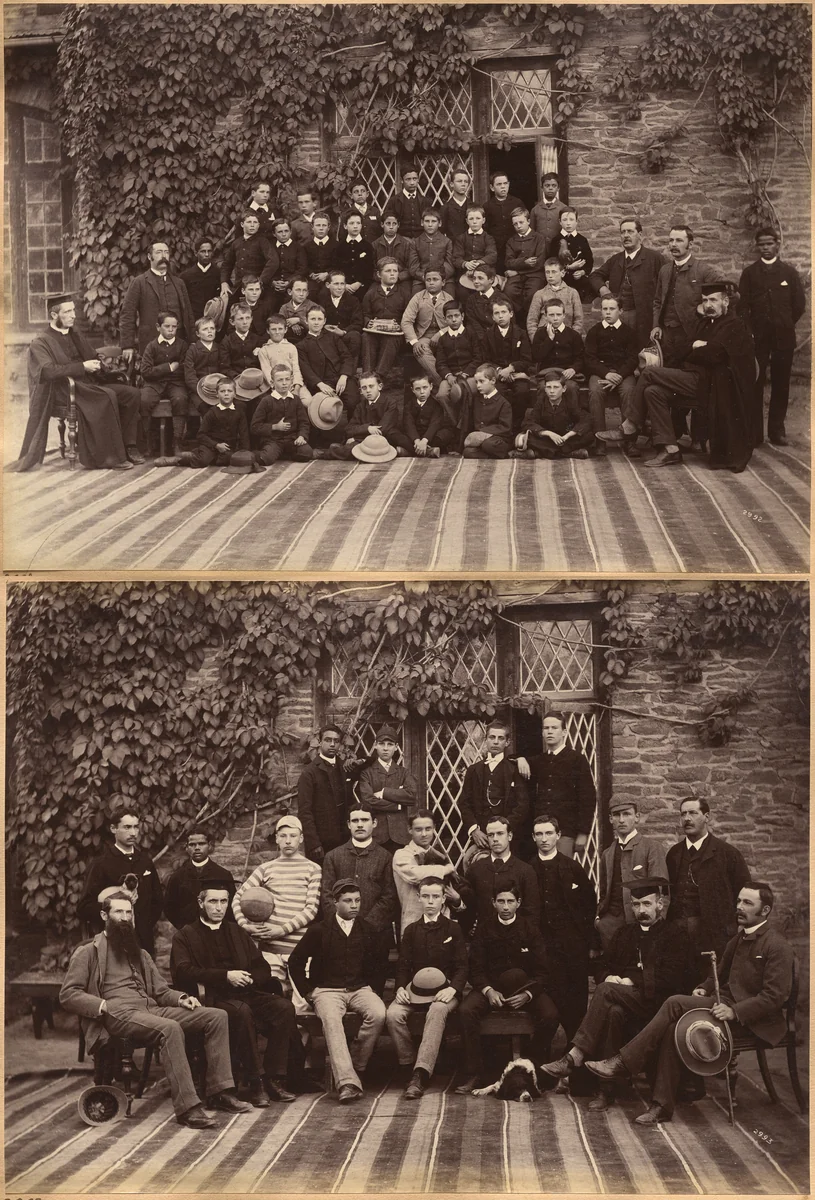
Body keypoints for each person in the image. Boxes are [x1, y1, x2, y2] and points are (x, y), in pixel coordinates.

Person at [584, 882, 794, 1126]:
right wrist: (704, 987)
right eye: (738, 901)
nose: (739, 907)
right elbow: (719, 976)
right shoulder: (737, 939)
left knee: (674, 1003)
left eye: (747, 903)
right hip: (723, 1004)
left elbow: (775, 996)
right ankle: (661, 1106)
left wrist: (735, 1011)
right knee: (674, 1027)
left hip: (754, 1020)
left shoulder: (776, 945)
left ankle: (623, 1062)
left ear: (765, 910)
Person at [61, 891, 249, 1128]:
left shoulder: (139, 953)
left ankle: (220, 1092)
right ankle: (188, 1108)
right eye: (118, 912)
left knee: (216, 1016)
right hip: (117, 1013)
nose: (125, 917)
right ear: (104, 915)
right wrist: (102, 1005)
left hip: (150, 1009)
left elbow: (161, 992)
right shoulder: (88, 952)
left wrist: (182, 999)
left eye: (129, 912)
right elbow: (68, 995)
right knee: (170, 1029)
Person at [541, 878, 692, 1113]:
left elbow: (674, 978)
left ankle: (575, 1055)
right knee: (613, 1011)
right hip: (622, 1000)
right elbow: (602, 966)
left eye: (646, 904)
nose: (640, 910)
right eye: (635, 905)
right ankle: (606, 1090)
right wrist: (609, 977)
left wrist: (632, 981)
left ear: (660, 904)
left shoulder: (675, 934)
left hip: (656, 1004)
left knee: (606, 992)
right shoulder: (625, 933)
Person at [171, 881, 298, 1105]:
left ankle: (274, 1078)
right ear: (201, 903)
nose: (219, 907)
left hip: (246, 992)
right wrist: (225, 976)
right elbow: (183, 971)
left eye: (223, 901)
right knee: (242, 1012)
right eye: (213, 901)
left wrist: (250, 978)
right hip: (212, 998)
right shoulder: (185, 935)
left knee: (283, 1008)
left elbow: (263, 967)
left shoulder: (236, 931)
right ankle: (255, 1081)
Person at [607, 282, 756, 470]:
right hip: (694, 377)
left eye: (713, 300)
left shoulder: (734, 325)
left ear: (725, 301)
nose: (709, 305)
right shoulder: (704, 324)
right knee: (653, 391)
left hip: (713, 384)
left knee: (650, 372)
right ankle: (670, 449)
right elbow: (680, 350)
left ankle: (631, 425)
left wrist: (696, 349)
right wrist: (695, 346)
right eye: (705, 301)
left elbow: (714, 355)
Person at [11, 294, 142, 472]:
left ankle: (128, 446)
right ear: (54, 315)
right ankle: (109, 457)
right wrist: (82, 367)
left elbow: (91, 355)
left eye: (73, 310)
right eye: (68, 311)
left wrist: (98, 364)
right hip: (65, 389)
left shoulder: (75, 333)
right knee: (107, 395)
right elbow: (48, 371)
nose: (73, 315)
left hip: (88, 383)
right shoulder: (41, 341)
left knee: (131, 394)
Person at [287, 879, 387, 1104]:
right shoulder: (319, 930)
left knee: (379, 1013)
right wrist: (308, 992)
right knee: (332, 1020)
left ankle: (354, 1066)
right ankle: (348, 1083)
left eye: (358, 901)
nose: (354, 905)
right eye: (348, 901)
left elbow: (379, 965)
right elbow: (294, 962)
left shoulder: (367, 929)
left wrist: (373, 990)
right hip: (326, 991)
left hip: (359, 989)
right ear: (335, 903)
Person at [455, 883, 557, 1094]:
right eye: (501, 901)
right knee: (466, 1011)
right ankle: (474, 1072)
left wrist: (528, 995)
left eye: (510, 901)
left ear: (518, 903)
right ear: (493, 903)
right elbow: (476, 968)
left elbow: (543, 971)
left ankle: (529, 1065)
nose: (505, 906)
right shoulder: (484, 929)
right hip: (492, 987)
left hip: (525, 987)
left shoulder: (530, 929)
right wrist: (488, 991)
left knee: (550, 1015)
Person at [386, 877, 468, 1098]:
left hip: (445, 990)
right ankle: (408, 1063)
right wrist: (400, 988)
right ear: (418, 897)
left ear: (443, 900)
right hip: (416, 991)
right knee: (393, 1014)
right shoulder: (411, 930)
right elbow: (403, 965)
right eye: (426, 896)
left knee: (438, 1009)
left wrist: (454, 989)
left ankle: (421, 1073)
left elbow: (462, 966)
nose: (430, 901)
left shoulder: (453, 928)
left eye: (435, 897)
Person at [665, 796, 752, 975]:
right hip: (679, 937)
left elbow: (746, 893)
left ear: (707, 817)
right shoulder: (674, 854)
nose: (687, 818)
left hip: (715, 937)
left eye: (693, 813)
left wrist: (736, 926)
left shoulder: (728, 854)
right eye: (683, 814)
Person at [528, 814, 596, 1042]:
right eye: (539, 834)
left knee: (575, 1008)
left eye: (549, 833)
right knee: (546, 1009)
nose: (544, 839)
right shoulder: (528, 870)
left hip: (571, 950)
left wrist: (583, 943)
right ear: (533, 837)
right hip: (542, 951)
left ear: (558, 836)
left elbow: (589, 905)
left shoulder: (572, 868)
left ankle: (574, 1061)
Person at [231, 814, 321, 984]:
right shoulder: (266, 868)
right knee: (274, 997)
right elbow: (237, 898)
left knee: (303, 1001)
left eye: (293, 836)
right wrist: (246, 926)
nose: (288, 841)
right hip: (269, 950)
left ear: (301, 838)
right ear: (277, 839)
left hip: (300, 948)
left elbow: (311, 909)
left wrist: (282, 930)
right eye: (283, 836)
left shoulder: (313, 869)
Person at [738, 226, 807, 446]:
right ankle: (755, 433)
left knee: (781, 383)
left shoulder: (789, 273)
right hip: (758, 338)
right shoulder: (750, 274)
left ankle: (777, 430)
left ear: (777, 244)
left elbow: (798, 305)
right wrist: (750, 331)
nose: (766, 248)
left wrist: (785, 324)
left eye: (770, 243)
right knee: (756, 381)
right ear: (756, 247)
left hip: (783, 337)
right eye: (762, 244)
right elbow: (743, 307)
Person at [320, 804, 397, 995]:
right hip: (340, 934)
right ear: (348, 824)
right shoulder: (334, 856)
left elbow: (389, 896)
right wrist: (340, 924)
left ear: (374, 823)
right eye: (355, 820)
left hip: (375, 934)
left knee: (372, 991)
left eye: (364, 820)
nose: (360, 825)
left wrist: (366, 926)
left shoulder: (385, 857)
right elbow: (327, 894)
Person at [77, 803, 163, 956]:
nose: (133, 833)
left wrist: (145, 924)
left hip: (143, 941)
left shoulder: (145, 861)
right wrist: (113, 914)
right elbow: (84, 907)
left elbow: (157, 901)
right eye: (127, 827)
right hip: (112, 942)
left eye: (136, 827)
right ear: (113, 829)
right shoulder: (101, 864)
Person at [518, 711, 596, 859]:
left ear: (564, 731)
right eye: (546, 728)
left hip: (566, 831)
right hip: (541, 832)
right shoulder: (538, 760)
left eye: (554, 728)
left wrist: (583, 832)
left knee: (562, 874)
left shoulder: (577, 760)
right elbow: (511, 761)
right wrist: (520, 758)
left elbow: (588, 798)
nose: (550, 732)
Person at [596, 799, 668, 954]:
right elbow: (603, 892)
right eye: (616, 815)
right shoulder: (607, 854)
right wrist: (600, 921)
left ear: (637, 817)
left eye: (627, 814)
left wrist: (658, 926)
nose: (621, 820)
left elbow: (662, 891)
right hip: (611, 925)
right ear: (610, 819)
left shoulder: (651, 848)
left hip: (641, 922)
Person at [589, 218, 668, 351]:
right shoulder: (616, 260)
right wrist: (604, 291)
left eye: (630, 231)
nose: (626, 235)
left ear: (640, 235)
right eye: (623, 232)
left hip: (643, 316)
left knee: (642, 351)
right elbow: (595, 276)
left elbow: (667, 284)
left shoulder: (655, 258)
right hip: (619, 315)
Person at [453, 815, 541, 931]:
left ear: (509, 836)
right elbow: (469, 908)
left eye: (500, 834)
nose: (495, 839)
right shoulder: (475, 869)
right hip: (484, 939)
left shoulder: (525, 870)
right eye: (491, 835)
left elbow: (532, 912)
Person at [650, 224, 718, 367]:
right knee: (666, 370)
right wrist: (656, 325)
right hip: (666, 335)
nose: (673, 245)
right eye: (671, 240)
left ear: (690, 244)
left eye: (679, 240)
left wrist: (704, 311)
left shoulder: (703, 271)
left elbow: (727, 297)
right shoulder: (665, 270)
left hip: (690, 334)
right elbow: (657, 301)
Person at [154, 374, 250, 468]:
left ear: (234, 393)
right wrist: (216, 445)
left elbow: (244, 434)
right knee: (203, 461)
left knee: (231, 459)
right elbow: (201, 435)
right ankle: (178, 459)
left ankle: (194, 454)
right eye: (222, 391)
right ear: (217, 394)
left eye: (229, 391)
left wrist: (245, 453)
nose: (226, 393)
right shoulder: (212, 413)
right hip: (210, 445)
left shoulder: (239, 412)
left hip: (227, 447)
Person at [459, 720, 529, 846]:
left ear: (507, 742)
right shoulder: (474, 770)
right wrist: (474, 830)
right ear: (486, 740)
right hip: (481, 835)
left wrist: (506, 828)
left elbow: (522, 805)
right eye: (492, 737)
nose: (496, 741)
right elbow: (464, 803)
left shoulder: (514, 770)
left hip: (508, 835)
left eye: (500, 738)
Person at [120, 241, 194, 358]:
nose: (163, 256)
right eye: (159, 252)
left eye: (166, 252)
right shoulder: (139, 282)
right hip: (151, 343)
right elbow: (128, 314)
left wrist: (192, 340)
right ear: (150, 257)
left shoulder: (179, 283)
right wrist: (127, 345)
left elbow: (188, 313)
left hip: (178, 345)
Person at [392, 809, 457, 934]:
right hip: (414, 921)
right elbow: (415, 874)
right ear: (410, 830)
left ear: (434, 829)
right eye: (418, 829)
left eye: (428, 829)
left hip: (442, 921)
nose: (424, 834)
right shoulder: (402, 854)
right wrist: (445, 869)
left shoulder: (439, 855)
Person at [584, 295, 639, 443]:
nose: (608, 312)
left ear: (620, 311)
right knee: (595, 391)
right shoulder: (594, 332)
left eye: (612, 309)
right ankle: (599, 440)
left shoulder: (629, 332)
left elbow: (633, 359)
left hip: (624, 373)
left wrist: (620, 375)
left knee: (629, 391)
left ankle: (629, 440)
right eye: (605, 309)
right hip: (601, 373)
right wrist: (606, 373)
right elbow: (589, 358)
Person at [357, 725, 419, 853]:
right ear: (375, 745)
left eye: (390, 744)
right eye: (381, 744)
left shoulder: (403, 772)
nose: (385, 748)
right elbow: (368, 801)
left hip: (400, 836)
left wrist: (384, 793)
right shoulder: (367, 773)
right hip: (376, 835)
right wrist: (398, 805)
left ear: (396, 747)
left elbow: (412, 796)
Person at [296, 726, 351, 864]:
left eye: (336, 741)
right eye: (328, 740)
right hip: (321, 844)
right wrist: (313, 843)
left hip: (344, 841)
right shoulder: (309, 773)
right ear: (319, 742)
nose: (332, 744)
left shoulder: (344, 768)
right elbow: (304, 812)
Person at [479, 296, 533, 432]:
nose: (500, 316)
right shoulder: (488, 335)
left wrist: (511, 368)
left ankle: (516, 425)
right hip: (498, 375)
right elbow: (485, 359)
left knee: (522, 392)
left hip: (517, 374)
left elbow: (526, 359)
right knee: (498, 392)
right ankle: (502, 426)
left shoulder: (521, 333)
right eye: (496, 313)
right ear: (492, 317)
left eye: (503, 312)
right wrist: (498, 370)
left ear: (511, 314)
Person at [163, 827, 235, 930]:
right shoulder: (178, 877)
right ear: (186, 848)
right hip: (189, 934)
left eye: (201, 844)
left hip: (217, 933)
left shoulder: (223, 875)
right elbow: (169, 908)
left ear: (209, 846)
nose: (197, 848)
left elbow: (231, 907)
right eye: (192, 845)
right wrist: (183, 928)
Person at [139, 312, 190, 452]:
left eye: (174, 326)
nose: (171, 330)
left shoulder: (182, 345)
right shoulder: (152, 346)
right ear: (158, 327)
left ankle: (177, 440)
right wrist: (169, 367)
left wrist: (165, 371)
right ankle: (147, 440)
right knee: (144, 400)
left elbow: (185, 368)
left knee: (180, 398)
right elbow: (145, 371)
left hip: (176, 383)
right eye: (167, 326)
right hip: (154, 384)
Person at [515, 372, 594, 460]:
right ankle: (568, 453)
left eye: (556, 387)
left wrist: (567, 436)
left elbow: (586, 420)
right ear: (545, 389)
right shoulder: (541, 402)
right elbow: (528, 422)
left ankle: (540, 453)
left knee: (589, 436)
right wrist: (549, 433)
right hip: (548, 438)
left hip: (565, 438)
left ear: (564, 388)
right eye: (549, 387)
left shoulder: (570, 402)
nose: (552, 391)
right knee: (525, 438)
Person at [328, 370, 406, 460]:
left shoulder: (390, 403)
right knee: (352, 449)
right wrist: (367, 428)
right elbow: (349, 429)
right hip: (367, 442)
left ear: (380, 387)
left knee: (399, 439)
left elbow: (381, 430)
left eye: (371, 386)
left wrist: (357, 438)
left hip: (385, 439)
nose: (368, 391)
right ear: (361, 391)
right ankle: (332, 452)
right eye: (364, 388)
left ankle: (333, 452)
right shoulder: (360, 406)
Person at [297, 306, 359, 416]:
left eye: (319, 319)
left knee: (353, 401)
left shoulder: (332, 337)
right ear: (306, 321)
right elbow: (305, 369)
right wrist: (320, 384)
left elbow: (347, 357)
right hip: (322, 382)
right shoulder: (302, 345)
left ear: (324, 321)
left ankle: (352, 430)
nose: (316, 323)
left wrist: (344, 376)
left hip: (341, 377)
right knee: (326, 408)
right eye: (313, 319)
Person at [250, 363, 313, 465]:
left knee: (307, 453)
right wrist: (274, 427)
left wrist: (301, 436)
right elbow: (255, 427)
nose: (284, 383)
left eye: (287, 379)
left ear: (291, 380)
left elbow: (304, 422)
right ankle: (268, 453)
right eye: (280, 380)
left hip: (292, 440)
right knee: (266, 459)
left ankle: (282, 453)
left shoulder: (296, 400)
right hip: (273, 440)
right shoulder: (266, 401)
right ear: (272, 382)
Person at [400, 269, 454, 385]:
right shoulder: (418, 297)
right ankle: (442, 382)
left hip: (444, 335)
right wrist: (414, 342)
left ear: (443, 282)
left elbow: (455, 321)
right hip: (424, 337)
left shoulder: (448, 298)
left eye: (435, 279)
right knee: (421, 350)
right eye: (428, 280)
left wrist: (440, 334)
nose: (431, 282)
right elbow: (406, 321)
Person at [361, 257, 411, 376]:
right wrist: (369, 323)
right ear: (379, 274)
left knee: (391, 339)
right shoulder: (371, 293)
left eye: (395, 271)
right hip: (374, 331)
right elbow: (365, 313)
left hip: (395, 333)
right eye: (388, 271)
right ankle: (367, 375)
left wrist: (399, 326)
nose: (393, 274)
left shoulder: (404, 293)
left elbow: (408, 317)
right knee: (366, 337)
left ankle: (379, 376)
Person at [530, 298, 585, 407]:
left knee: (571, 387)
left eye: (558, 314)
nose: (555, 318)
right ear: (545, 316)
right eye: (551, 315)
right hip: (546, 375)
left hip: (567, 374)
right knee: (543, 388)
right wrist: (549, 339)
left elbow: (581, 358)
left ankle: (572, 418)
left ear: (564, 315)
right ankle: (544, 418)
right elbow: (536, 357)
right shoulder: (540, 334)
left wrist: (573, 369)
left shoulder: (573, 335)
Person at [435, 299, 481, 410]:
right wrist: (448, 375)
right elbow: (440, 363)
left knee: (463, 391)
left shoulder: (471, 334)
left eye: (456, 316)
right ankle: (455, 423)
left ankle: (465, 424)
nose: (454, 319)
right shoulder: (442, 339)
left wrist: (466, 373)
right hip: (451, 376)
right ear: (445, 319)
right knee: (441, 395)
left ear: (463, 316)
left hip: (469, 375)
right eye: (449, 317)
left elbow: (478, 358)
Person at [220, 211, 278, 298]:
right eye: (249, 222)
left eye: (255, 222)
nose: (252, 225)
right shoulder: (236, 243)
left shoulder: (263, 242)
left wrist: (261, 281)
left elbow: (273, 261)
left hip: (257, 289)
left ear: (258, 225)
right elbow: (227, 264)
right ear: (242, 224)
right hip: (239, 287)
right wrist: (224, 283)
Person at [257, 313, 311, 405]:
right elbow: (267, 373)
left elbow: (296, 369)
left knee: (308, 402)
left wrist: (297, 387)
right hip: (276, 387)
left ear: (285, 330)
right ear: (268, 331)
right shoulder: (264, 350)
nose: (277, 332)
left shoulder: (291, 347)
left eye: (280, 329)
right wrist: (280, 388)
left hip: (294, 384)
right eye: (273, 329)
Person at [462, 364, 513, 459]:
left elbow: (505, 427)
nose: (478, 385)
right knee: (467, 451)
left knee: (489, 444)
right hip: (479, 440)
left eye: (481, 381)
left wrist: (483, 433)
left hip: (497, 438)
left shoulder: (503, 403)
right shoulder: (477, 399)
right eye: (476, 382)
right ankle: (490, 455)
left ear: (493, 381)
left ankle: (506, 453)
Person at [526, 258, 584, 341]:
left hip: (567, 338)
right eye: (547, 272)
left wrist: (573, 339)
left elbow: (579, 320)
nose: (550, 275)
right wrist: (536, 341)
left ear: (562, 273)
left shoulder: (572, 293)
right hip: (544, 338)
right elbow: (532, 320)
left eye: (553, 272)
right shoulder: (539, 294)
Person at [401, 373, 458, 458]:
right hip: (415, 437)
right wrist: (416, 441)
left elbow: (434, 424)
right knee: (399, 436)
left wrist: (424, 441)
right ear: (412, 390)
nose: (422, 392)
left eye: (425, 387)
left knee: (445, 434)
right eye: (417, 389)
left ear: (431, 387)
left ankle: (411, 451)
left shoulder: (436, 405)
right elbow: (409, 424)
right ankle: (428, 451)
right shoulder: (409, 405)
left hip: (430, 437)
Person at [503, 207, 548, 313]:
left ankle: (529, 321)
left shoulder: (539, 238)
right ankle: (518, 319)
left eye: (521, 222)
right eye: (515, 224)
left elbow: (539, 263)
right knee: (509, 291)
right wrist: (524, 262)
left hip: (535, 275)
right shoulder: (511, 241)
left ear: (528, 221)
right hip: (517, 277)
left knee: (532, 293)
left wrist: (517, 270)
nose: (518, 226)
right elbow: (508, 262)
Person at [317, 269, 363, 367]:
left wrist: (343, 331)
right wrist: (325, 328)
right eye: (336, 284)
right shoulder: (321, 299)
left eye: (342, 284)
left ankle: (350, 371)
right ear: (328, 285)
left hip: (345, 335)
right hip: (327, 335)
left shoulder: (353, 300)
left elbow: (358, 323)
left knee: (355, 336)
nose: (339, 288)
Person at [548, 207, 594, 299]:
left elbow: (589, 261)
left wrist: (582, 272)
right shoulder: (555, 240)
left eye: (571, 219)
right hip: (561, 279)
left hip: (579, 280)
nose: (568, 223)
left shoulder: (582, 240)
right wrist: (568, 267)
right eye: (565, 220)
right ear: (560, 222)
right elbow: (552, 262)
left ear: (576, 221)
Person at [452, 204, 497, 296]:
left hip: (484, 272)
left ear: (483, 220)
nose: (475, 222)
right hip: (465, 274)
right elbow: (456, 258)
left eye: (478, 218)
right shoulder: (461, 238)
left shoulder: (488, 238)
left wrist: (479, 263)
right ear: (467, 221)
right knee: (462, 292)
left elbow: (492, 256)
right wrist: (466, 264)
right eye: (471, 219)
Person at [484, 172, 525, 273]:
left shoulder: (517, 203)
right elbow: (486, 229)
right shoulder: (487, 206)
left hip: (515, 247)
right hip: (496, 248)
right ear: (492, 187)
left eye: (505, 183)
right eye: (499, 184)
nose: (503, 187)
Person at [408, 209, 455, 291]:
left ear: (439, 223)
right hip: (421, 279)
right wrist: (424, 277)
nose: (430, 224)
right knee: (415, 294)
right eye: (427, 221)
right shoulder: (415, 242)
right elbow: (413, 267)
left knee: (449, 295)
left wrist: (439, 277)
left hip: (443, 278)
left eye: (433, 221)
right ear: (422, 223)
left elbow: (450, 265)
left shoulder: (447, 241)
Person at [268, 218, 309, 312]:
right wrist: (273, 282)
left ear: (290, 232)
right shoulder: (269, 247)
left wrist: (289, 282)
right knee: (269, 304)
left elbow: (302, 269)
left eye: (286, 231)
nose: (283, 234)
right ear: (274, 234)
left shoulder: (298, 247)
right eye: (280, 231)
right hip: (273, 286)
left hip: (292, 285)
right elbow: (265, 267)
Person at [180, 238, 222, 322]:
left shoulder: (219, 274)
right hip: (194, 321)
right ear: (196, 253)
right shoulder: (186, 276)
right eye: (203, 251)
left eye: (209, 251)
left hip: (214, 321)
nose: (206, 254)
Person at [183, 315, 223, 404]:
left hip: (217, 389)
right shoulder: (193, 350)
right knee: (203, 406)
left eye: (212, 328)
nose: (209, 331)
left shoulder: (220, 348)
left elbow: (224, 369)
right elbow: (190, 376)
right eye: (205, 329)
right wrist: (200, 389)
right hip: (198, 389)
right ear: (198, 334)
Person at [335, 211, 376, 295]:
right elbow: (336, 268)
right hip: (342, 287)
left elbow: (370, 269)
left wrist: (359, 283)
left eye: (358, 223)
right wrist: (344, 284)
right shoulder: (339, 247)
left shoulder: (368, 246)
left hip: (363, 287)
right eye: (351, 223)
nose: (355, 226)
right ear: (345, 226)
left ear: (361, 226)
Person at [219, 301, 264, 378]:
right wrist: (237, 377)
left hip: (255, 378)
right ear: (232, 322)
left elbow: (262, 365)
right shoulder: (227, 342)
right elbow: (225, 368)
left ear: (251, 319)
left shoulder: (257, 340)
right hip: (236, 379)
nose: (245, 322)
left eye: (248, 318)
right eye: (240, 319)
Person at [304, 211, 340, 297]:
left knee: (326, 294)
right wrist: (311, 274)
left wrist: (327, 274)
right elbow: (304, 265)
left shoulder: (336, 245)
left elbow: (338, 265)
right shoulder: (306, 246)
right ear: (312, 227)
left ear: (328, 227)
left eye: (324, 225)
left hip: (331, 279)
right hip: (312, 281)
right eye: (318, 225)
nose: (321, 228)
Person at [464, 264, 503, 340]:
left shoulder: (502, 298)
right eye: (474, 278)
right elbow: (472, 322)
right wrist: (483, 338)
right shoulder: (471, 300)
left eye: (480, 278)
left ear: (491, 279)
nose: (476, 281)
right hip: (479, 340)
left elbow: (506, 323)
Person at [372, 212, 413, 283]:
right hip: (381, 281)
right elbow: (372, 268)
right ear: (382, 224)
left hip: (401, 281)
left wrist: (399, 277)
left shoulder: (406, 244)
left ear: (398, 225)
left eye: (394, 224)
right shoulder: (375, 244)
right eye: (388, 223)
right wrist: (382, 278)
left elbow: (410, 268)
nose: (391, 227)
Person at [389, 165, 425, 241]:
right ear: (402, 180)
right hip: (401, 240)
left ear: (418, 180)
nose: (412, 183)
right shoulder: (394, 201)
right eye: (408, 179)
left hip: (421, 241)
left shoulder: (425, 201)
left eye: (414, 179)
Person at [278, 276, 319, 342]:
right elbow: (279, 325)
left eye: (304, 290)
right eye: (298, 290)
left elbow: (316, 329)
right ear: (290, 292)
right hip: (288, 342)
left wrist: (300, 321)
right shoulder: (284, 308)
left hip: (309, 341)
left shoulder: (313, 307)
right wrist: (292, 325)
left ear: (307, 293)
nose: (301, 294)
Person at [439, 168, 474, 242]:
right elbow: (441, 233)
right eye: (459, 181)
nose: (463, 184)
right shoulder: (445, 208)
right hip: (453, 249)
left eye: (466, 181)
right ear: (452, 184)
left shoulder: (474, 207)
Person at [529, 171, 564, 245]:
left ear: (558, 188)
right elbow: (532, 232)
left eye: (554, 185)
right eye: (547, 185)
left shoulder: (563, 208)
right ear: (542, 188)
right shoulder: (535, 210)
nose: (550, 188)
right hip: (540, 248)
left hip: (557, 248)